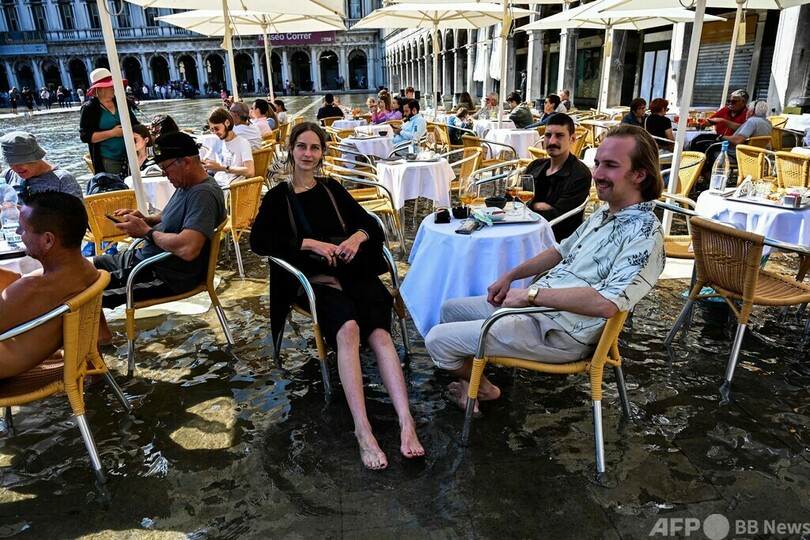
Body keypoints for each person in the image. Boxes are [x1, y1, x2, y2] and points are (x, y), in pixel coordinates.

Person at [425, 124, 665, 413]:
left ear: (639, 175)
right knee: (450, 310)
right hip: (539, 311)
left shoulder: (645, 235)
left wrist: (530, 295)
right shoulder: (607, 212)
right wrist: (511, 276)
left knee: (437, 341)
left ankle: (484, 389)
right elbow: (560, 251)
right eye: (597, 163)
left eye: (610, 166)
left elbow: (606, 304)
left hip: (561, 333)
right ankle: (471, 386)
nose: (597, 174)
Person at [249, 122, 424, 470]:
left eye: (315, 148)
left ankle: (407, 421)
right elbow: (259, 241)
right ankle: (363, 430)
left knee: (380, 334)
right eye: (302, 146)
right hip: (314, 282)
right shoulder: (277, 197)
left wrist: (356, 238)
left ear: (322, 153)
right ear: (291, 149)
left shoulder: (332, 188)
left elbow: (370, 224)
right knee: (349, 329)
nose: (308, 154)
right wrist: (309, 244)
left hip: (353, 274)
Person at [93, 132, 227, 344]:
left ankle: (96, 348)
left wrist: (146, 232)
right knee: (82, 269)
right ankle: (102, 339)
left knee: (84, 293)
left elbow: (189, 248)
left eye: (166, 168)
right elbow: (166, 216)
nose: (164, 174)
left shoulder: (203, 194)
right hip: (146, 259)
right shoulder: (186, 185)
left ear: (186, 162)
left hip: (166, 274)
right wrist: (144, 219)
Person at [0, 191, 100, 379]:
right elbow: (103, 336)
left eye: (23, 228)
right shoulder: (87, 272)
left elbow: (21, 290)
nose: (18, 233)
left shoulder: (31, 289)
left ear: (48, 239)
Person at [524, 114, 592, 241]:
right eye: (548, 135)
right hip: (524, 230)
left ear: (572, 139)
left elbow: (559, 217)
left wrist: (529, 206)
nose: (552, 141)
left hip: (554, 240)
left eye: (559, 136)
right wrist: (537, 205)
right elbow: (512, 200)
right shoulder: (535, 166)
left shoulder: (580, 174)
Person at [79, 68, 141, 175]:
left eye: (113, 85)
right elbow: (85, 136)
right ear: (100, 88)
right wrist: (112, 133)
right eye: (110, 86)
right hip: (108, 159)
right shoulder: (89, 108)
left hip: (131, 154)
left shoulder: (121, 102)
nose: (113, 88)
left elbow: (134, 123)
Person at [1, 131, 83, 200]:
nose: (16, 169)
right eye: (11, 164)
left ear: (36, 157)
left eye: (20, 163)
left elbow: (78, 213)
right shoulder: (8, 175)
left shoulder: (63, 180)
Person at [202, 106, 255, 188]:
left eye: (216, 128)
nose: (214, 132)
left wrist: (222, 168)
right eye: (212, 129)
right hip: (216, 185)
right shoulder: (217, 142)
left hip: (231, 188)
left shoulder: (243, 143)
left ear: (227, 123)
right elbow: (206, 160)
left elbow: (250, 172)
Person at [721, 99, 773, 164]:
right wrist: (724, 121)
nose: (746, 112)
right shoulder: (768, 123)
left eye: (748, 110)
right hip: (755, 155)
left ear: (751, 111)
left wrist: (721, 137)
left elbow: (738, 140)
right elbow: (742, 128)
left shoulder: (752, 121)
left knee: (711, 150)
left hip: (736, 154)